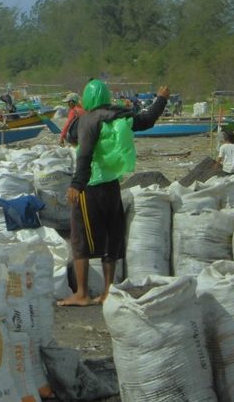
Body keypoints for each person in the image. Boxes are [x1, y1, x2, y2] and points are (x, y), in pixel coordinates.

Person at [58, 79, 169, 307]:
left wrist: (76, 184)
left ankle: (82, 293)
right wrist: (161, 100)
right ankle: (108, 291)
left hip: (89, 187)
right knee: (111, 236)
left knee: (80, 238)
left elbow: (85, 153)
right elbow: (147, 120)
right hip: (112, 185)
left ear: (87, 98)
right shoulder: (120, 116)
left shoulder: (88, 120)